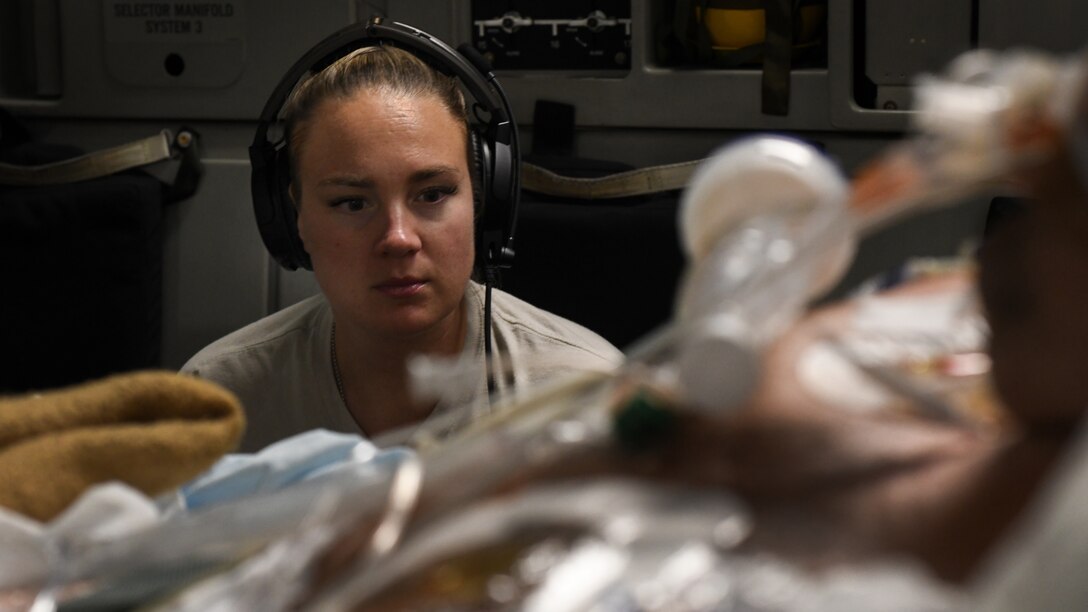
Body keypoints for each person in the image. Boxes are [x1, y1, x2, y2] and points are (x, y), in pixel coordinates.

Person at [182, 42, 623, 453]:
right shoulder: (216, 403)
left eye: (432, 194)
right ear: (294, 218)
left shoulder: (591, 394)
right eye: (352, 203)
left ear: (484, 200)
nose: (398, 238)